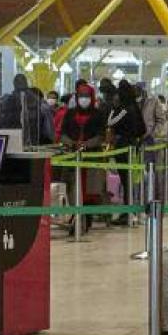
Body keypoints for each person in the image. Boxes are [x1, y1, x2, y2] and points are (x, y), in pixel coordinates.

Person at [60, 83, 107, 233]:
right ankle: (77, 217)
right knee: (73, 188)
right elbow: (63, 133)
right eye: (81, 96)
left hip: (92, 159)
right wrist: (72, 144)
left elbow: (101, 136)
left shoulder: (98, 114)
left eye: (87, 96)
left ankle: (85, 218)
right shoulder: (70, 113)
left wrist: (86, 145)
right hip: (73, 158)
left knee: (90, 191)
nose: (84, 99)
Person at [105, 80, 147, 222]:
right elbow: (143, 129)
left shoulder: (124, 109)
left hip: (123, 147)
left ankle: (128, 212)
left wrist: (113, 108)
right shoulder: (135, 107)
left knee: (126, 179)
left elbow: (110, 122)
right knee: (129, 179)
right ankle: (131, 211)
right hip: (132, 146)